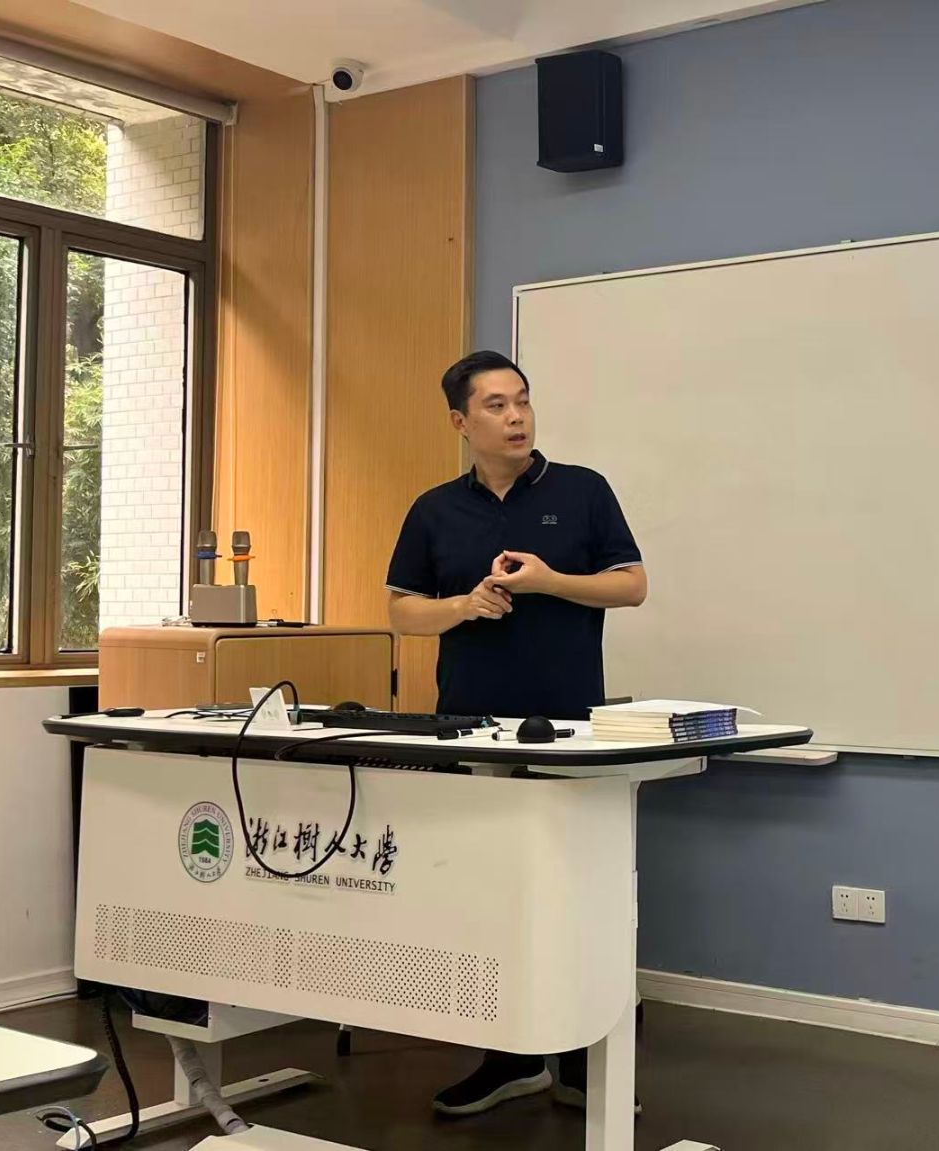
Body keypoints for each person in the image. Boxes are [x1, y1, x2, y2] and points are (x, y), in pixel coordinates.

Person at [385, 349, 648, 1116]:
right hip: (470, 727)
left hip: (568, 729)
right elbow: (401, 611)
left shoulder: (582, 489)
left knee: (576, 893)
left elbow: (632, 585)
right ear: (460, 422)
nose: (516, 417)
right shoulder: (435, 510)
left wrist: (547, 581)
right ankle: (509, 1056)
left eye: (523, 401)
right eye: (496, 405)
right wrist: (464, 605)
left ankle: (582, 1062)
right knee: (489, 895)